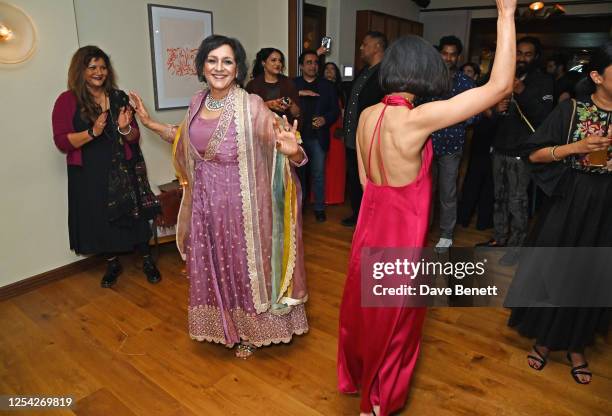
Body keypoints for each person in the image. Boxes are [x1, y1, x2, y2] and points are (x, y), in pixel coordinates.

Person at [337, 1, 517, 414]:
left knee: (366, 308)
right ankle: (378, 402)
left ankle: (360, 379)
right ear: (424, 72)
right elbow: (499, 87)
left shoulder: (367, 114)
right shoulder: (416, 119)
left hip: (370, 224)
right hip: (401, 231)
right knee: (397, 320)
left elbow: (365, 181)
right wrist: (506, 15)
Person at [129, 35, 309, 358]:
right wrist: (148, 121)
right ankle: (226, 323)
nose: (219, 68)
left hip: (242, 206)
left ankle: (252, 331)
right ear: (202, 66)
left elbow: (285, 145)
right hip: (205, 204)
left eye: (227, 61)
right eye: (212, 61)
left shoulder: (250, 105)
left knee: (242, 267)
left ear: (237, 68)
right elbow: (181, 138)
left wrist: (294, 153)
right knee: (215, 265)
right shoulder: (197, 102)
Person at [507, 40, 612, 385]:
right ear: (596, 76)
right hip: (571, 198)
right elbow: (532, 154)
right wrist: (577, 147)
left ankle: (577, 344)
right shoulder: (571, 111)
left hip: (606, 206)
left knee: (593, 275)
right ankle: (545, 340)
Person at [52, 46, 161, 288]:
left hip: (124, 167)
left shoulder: (118, 96)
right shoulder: (67, 100)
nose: (99, 72)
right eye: (92, 67)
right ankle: (112, 264)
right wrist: (93, 132)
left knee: (136, 216)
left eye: (103, 67)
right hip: (89, 172)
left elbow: (133, 137)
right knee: (100, 219)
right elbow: (61, 141)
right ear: (80, 70)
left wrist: (124, 128)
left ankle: (147, 260)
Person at [477, 36, 554, 266]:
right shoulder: (505, 78)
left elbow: (544, 116)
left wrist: (522, 91)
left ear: (536, 57)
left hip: (523, 152)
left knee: (517, 201)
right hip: (500, 148)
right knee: (498, 198)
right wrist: (496, 109)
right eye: (519, 53)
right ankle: (500, 239)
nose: (522, 58)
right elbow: (493, 113)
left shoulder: (543, 81)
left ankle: (517, 247)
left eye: (527, 54)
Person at [428, 35, 478, 252]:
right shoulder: (427, 79)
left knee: (447, 192)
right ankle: (423, 228)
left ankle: (447, 234)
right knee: (425, 191)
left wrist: (457, 117)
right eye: (445, 53)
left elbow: (475, 113)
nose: (448, 58)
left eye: (452, 54)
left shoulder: (466, 82)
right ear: (439, 53)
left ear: (458, 56)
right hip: (426, 143)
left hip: (451, 146)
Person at [341, 31, 387, 227]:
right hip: (353, 137)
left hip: (373, 139)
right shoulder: (364, 71)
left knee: (373, 180)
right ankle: (358, 214)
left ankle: (373, 219)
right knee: (354, 177)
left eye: (364, 44)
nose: (361, 48)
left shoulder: (386, 74)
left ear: (377, 47)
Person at [293, 50, 339, 222]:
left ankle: (319, 208)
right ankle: (300, 206)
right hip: (298, 137)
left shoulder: (327, 86)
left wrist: (325, 119)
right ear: (301, 66)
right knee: (299, 174)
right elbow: (284, 100)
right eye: (309, 62)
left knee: (318, 174)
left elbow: (334, 110)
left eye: (315, 63)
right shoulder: (293, 84)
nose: (313, 66)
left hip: (318, 137)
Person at [246, 47, 300, 125]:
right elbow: (248, 113)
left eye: (280, 61)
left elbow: (297, 114)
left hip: (284, 130)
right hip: (260, 130)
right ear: (263, 63)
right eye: (273, 60)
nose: (278, 64)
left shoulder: (288, 83)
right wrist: (268, 105)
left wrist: (290, 103)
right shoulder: (253, 85)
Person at [322, 62, 347, 205]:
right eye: (327, 69)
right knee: (323, 163)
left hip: (338, 128)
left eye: (332, 69)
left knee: (337, 163)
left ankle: (335, 197)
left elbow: (344, 110)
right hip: (324, 126)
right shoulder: (320, 87)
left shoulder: (341, 90)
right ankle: (321, 196)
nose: (329, 71)